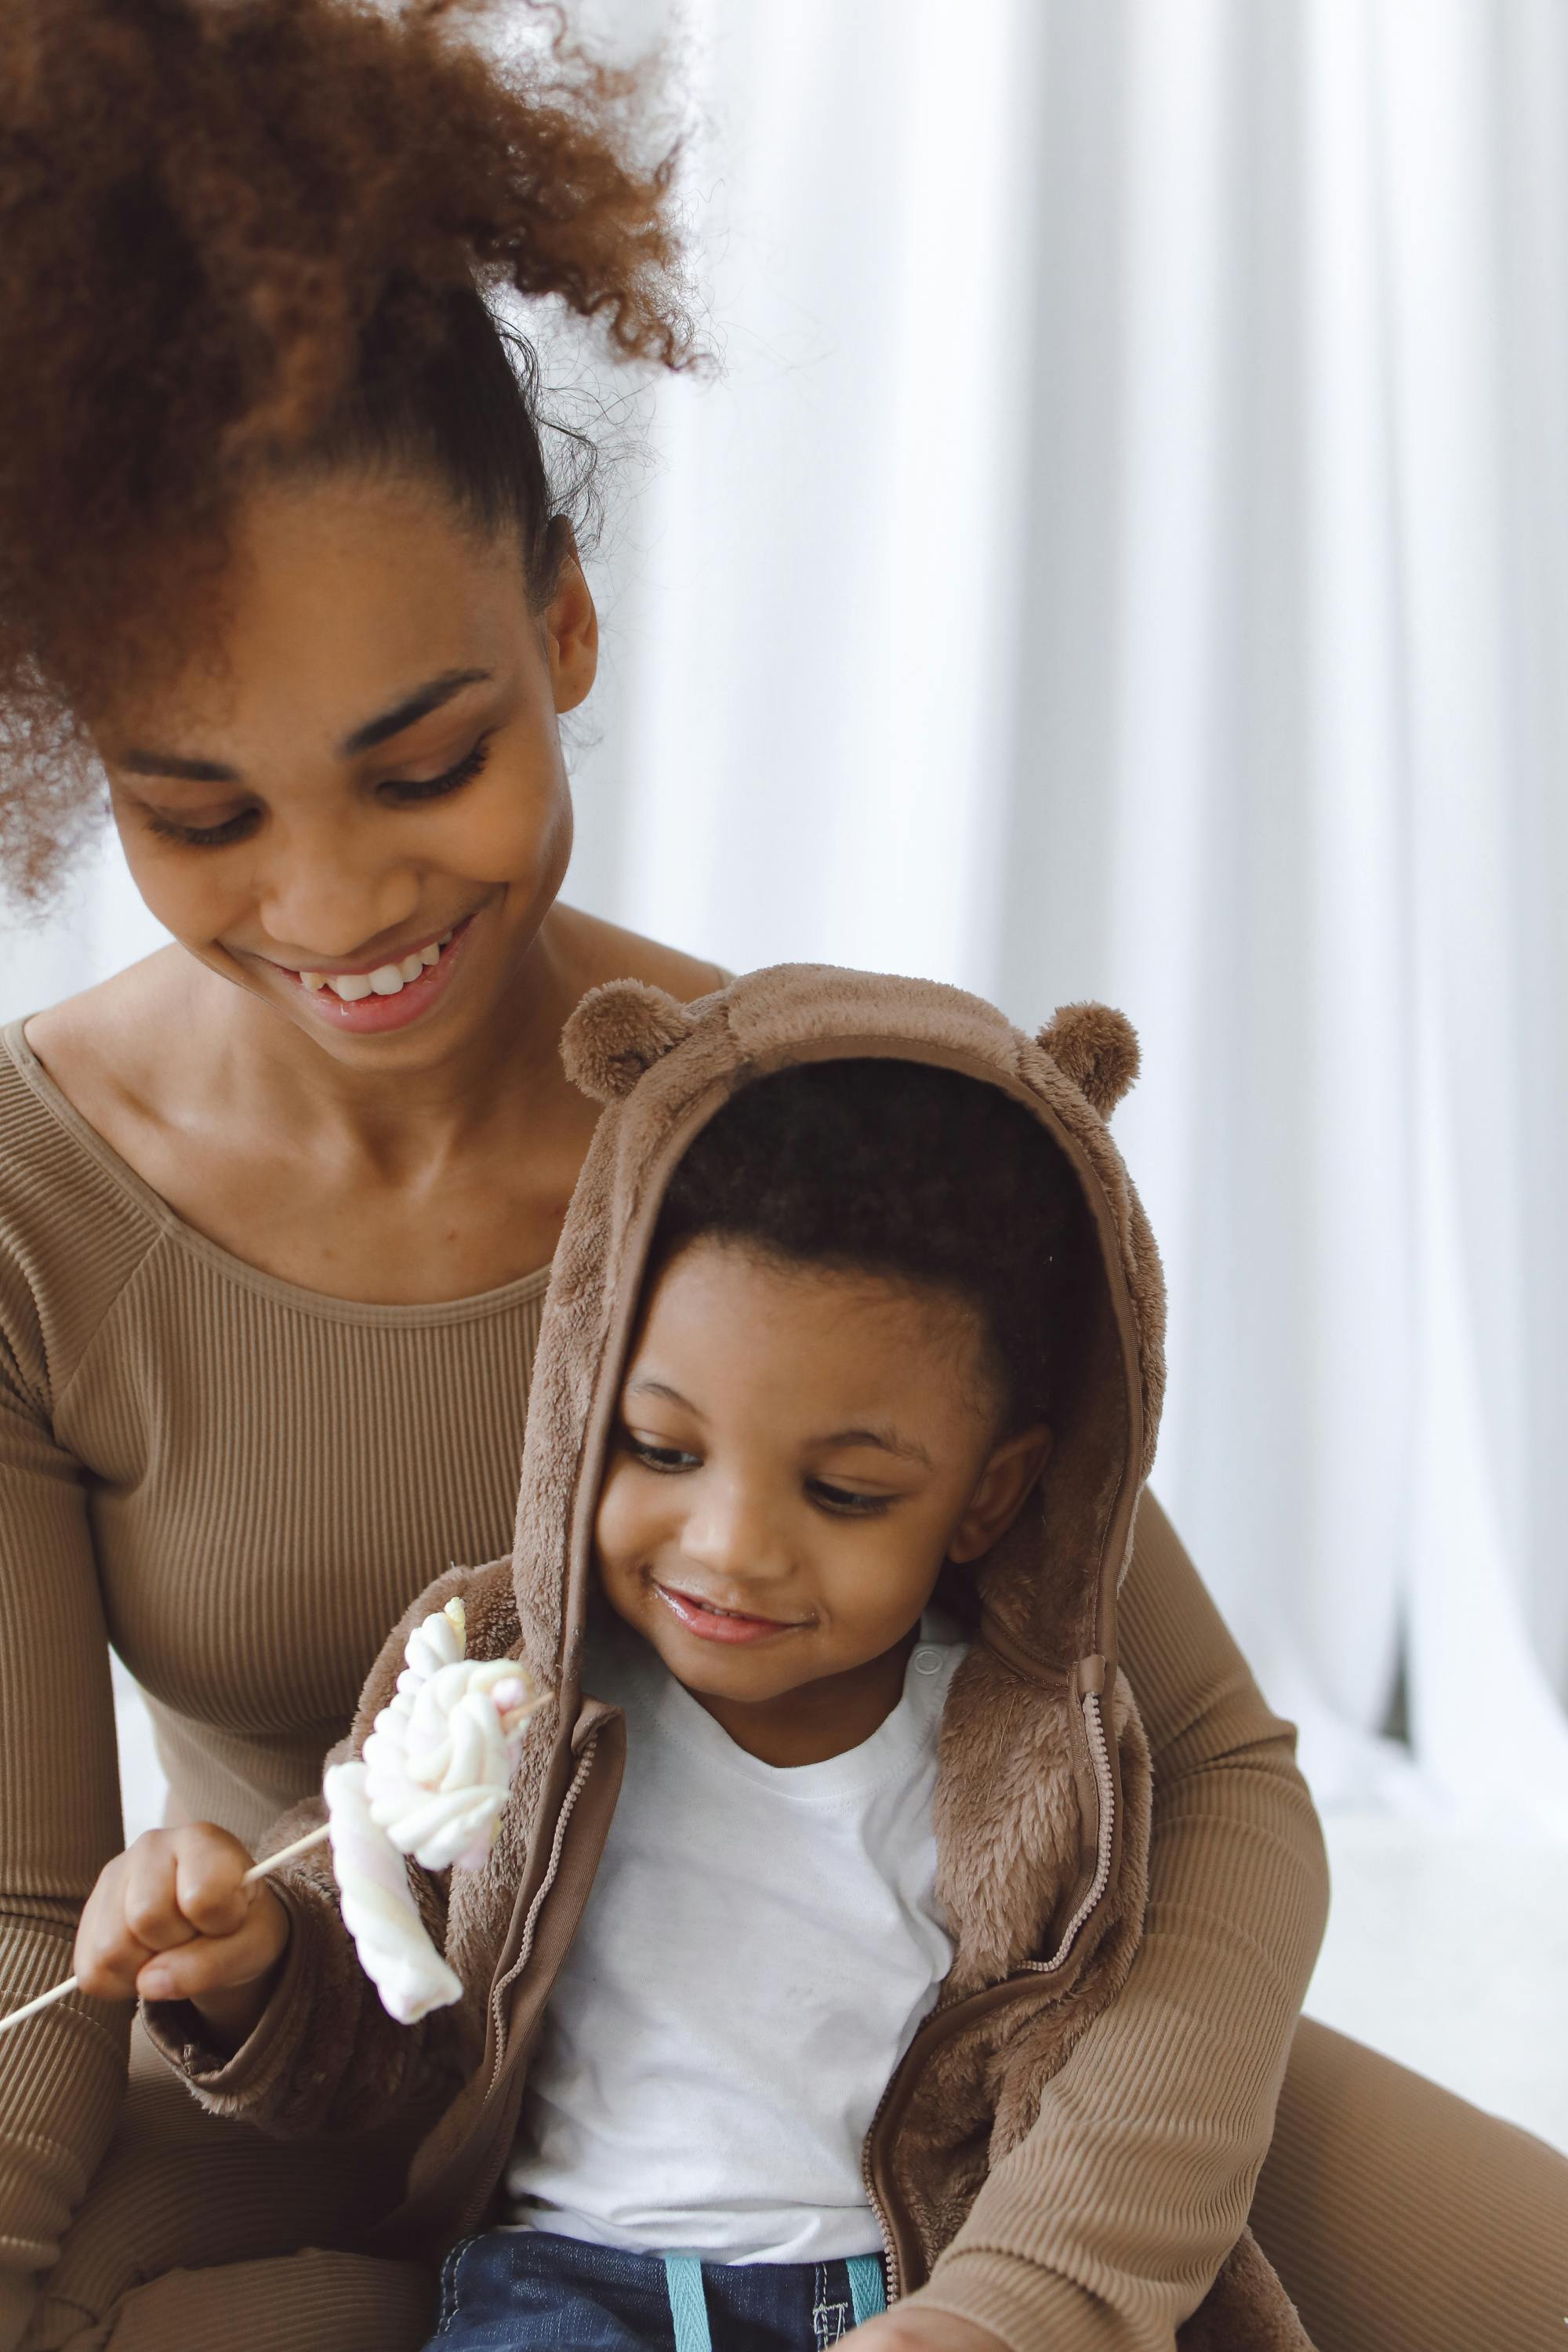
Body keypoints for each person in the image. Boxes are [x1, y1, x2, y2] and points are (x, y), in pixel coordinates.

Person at [0, 3, 1560, 2350]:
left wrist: (1044, 2283)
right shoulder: (35, 1198)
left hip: (894, 2082)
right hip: (328, 2085)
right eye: (198, 813)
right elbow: (30, 1928)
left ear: (566, 630)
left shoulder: (776, 1123)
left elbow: (1220, 1773)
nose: (329, 910)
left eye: (422, 766)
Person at [71, 969, 1312, 2351]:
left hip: (897, 2289)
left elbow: (1081, 2065)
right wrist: (246, 1961)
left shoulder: (1023, 1754)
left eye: (844, 1493)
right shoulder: (510, 1693)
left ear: (991, 1495)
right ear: (589, 1402)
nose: (727, 1550)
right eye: (662, 1454)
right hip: (565, 2290)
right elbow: (377, 2027)